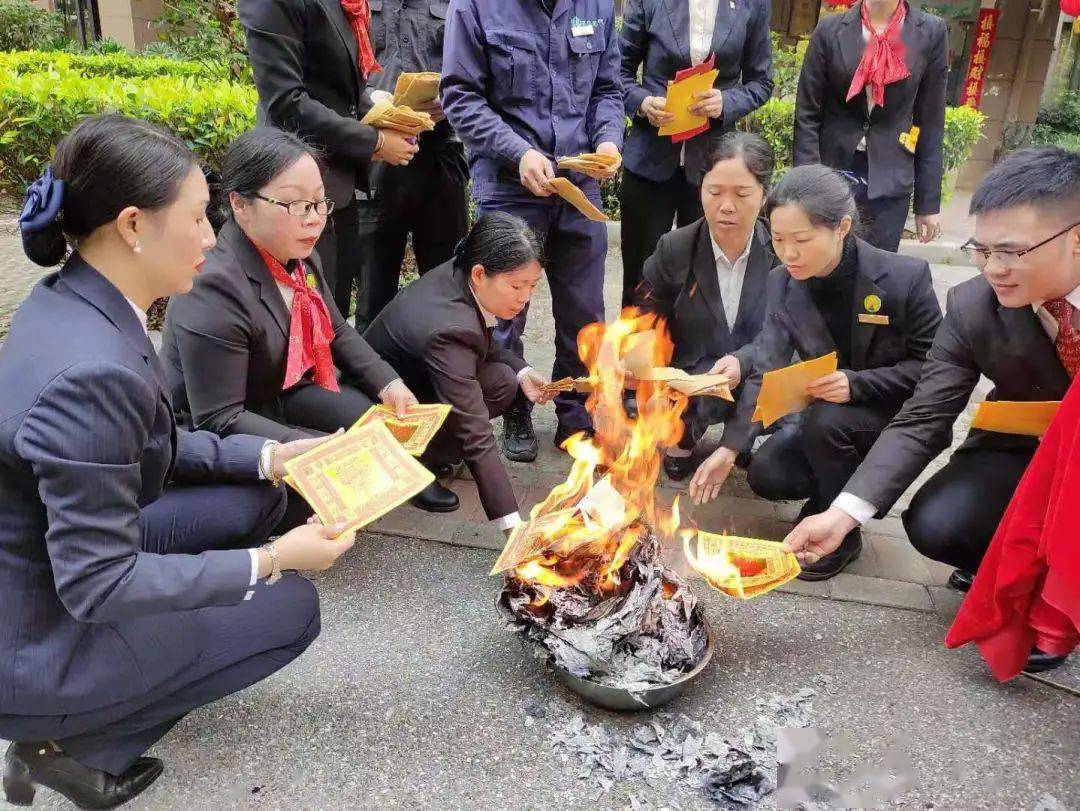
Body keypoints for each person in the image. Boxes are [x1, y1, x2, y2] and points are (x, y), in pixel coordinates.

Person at [0, 115, 356, 809]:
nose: (211, 237)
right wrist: (275, 559)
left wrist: (271, 456)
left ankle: (86, 721)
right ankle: (67, 743)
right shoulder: (91, 373)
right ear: (133, 224)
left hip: (57, 549)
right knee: (290, 608)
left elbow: (142, 442)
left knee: (255, 497)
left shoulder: (75, 299)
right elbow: (100, 585)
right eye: (197, 218)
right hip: (40, 634)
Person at [782, 149, 1080, 674]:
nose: (993, 269)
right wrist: (843, 514)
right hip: (1024, 445)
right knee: (937, 523)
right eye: (982, 250)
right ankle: (1006, 566)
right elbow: (924, 415)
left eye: (1011, 252)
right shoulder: (972, 305)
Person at [160, 129, 459, 514]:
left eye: (320, 203)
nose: (315, 220)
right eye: (297, 205)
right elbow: (219, 417)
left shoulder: (297, 256)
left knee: (368, 417)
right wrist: (308, 447)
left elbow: (335, 329)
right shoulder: (213, 287)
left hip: (279, 386)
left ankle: (405, 473)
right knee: (310, 490)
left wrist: (389, 382)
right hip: (220, 421)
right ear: (240, 204)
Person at [688, 164, 942, 581]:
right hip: (824, 416)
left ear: (841, 227)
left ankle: (844, 531)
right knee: (769, 475)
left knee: (826, 422)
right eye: (780, 240)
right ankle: (829, 497)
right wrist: (730, 448)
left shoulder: (903, 278)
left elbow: (935, 369)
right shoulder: (783, 283)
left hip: (892, 417)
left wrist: (858, 384)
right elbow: (767, 363)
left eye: (801, 240)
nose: (789, 254)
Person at [441, 0, 624, 462]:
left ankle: (575, 412)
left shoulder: (596, 5)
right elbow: (460, 95)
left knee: (585, 311)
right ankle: (515, 405)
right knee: (504, 310)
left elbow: (607, 87)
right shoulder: (477, 7)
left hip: (578, 184)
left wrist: (607, 140)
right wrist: (518, 151)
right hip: (510, 183)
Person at [364, 212, 553, 531]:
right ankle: (409, 464)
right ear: (481, 274)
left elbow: (479, 339)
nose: (525, 298)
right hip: (383, 416)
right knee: (481, 411)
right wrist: (513, 526)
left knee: (505, 380)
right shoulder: (448, 328)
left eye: (533, 286)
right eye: (517, 285)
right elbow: (476, 432)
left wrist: (523, 370)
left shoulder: (461, 269)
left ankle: (436, 451)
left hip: (417, 382)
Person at [239, 0, 421, 316]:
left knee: (331, 310)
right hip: (291, 191)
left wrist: (389, 117)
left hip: (338, 187)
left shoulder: (345, 5)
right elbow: (286, 101)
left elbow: (338, 93)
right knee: (296, 316)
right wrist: (375, 142)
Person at [635, 132, 777, 481]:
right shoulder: (676, 247)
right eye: (714, 192)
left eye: (742, 194)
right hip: (692, 373)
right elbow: (645, 317)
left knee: (794, 413)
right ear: (701, 190)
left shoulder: (780, 249)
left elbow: (789, 329)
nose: (726, 206)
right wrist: (641, 371)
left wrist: (743, 361)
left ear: (764, 196)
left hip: (758, 369)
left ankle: (742, 436)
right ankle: (682, 439)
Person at [619, 0, 774, 308]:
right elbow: (616, 70)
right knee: (641, 277)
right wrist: (642, 102)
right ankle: (637, 352)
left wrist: (726, 102)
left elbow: (762, 81)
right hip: (650, 160)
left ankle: (695, 354)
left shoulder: (752, 4)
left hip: (715, 166)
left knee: (705, 277)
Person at [794, 0, 948, 252]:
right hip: (832, 171)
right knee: (822, 265)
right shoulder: (830, 30)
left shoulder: (930, 32)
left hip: (890, 178)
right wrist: (807, 181)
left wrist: (927, 204)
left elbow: (930, 122)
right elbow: (807, 113)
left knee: (875, 275)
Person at [354, 0, 470, 327]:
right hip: (376, 155)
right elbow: (335, 71)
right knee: (374, 292)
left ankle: (441, 373)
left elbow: (478, 65)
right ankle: (373, 376)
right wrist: (370, 102)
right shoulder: (353, 4)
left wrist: (451, 97)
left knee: (448, 286)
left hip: (441, 153)